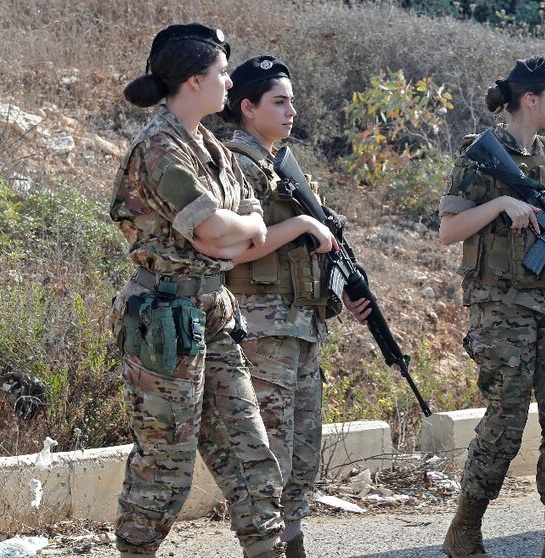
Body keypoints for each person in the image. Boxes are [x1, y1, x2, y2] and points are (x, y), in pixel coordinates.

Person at [108, 24, 287, 558]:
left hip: (211, 308)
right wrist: (235, 232)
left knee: (250, 452)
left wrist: (239, 232)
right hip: (163, 318)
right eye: (221, 74)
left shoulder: (210, 146)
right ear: (193, 80)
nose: (230, 83)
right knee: (166, 465)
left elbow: (246, 220)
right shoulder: (159, 147)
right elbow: (212, 230)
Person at [438, 57, 545, 558]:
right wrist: (499, 206)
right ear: (530, 99)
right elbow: (448, 229)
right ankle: (464, 528)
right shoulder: (481, 156)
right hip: (502, 306)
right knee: (506, 420)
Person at [203, 54, 357, 558]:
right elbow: (231, 248)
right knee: (271, 454)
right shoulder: (234, 163)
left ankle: (291, 543)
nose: (291, 111)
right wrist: (301, 227)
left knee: (304, 452)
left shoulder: (279, 165)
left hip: (300, 324)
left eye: (292, 101)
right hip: (261, 328)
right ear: (246, 107)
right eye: (279, 101)